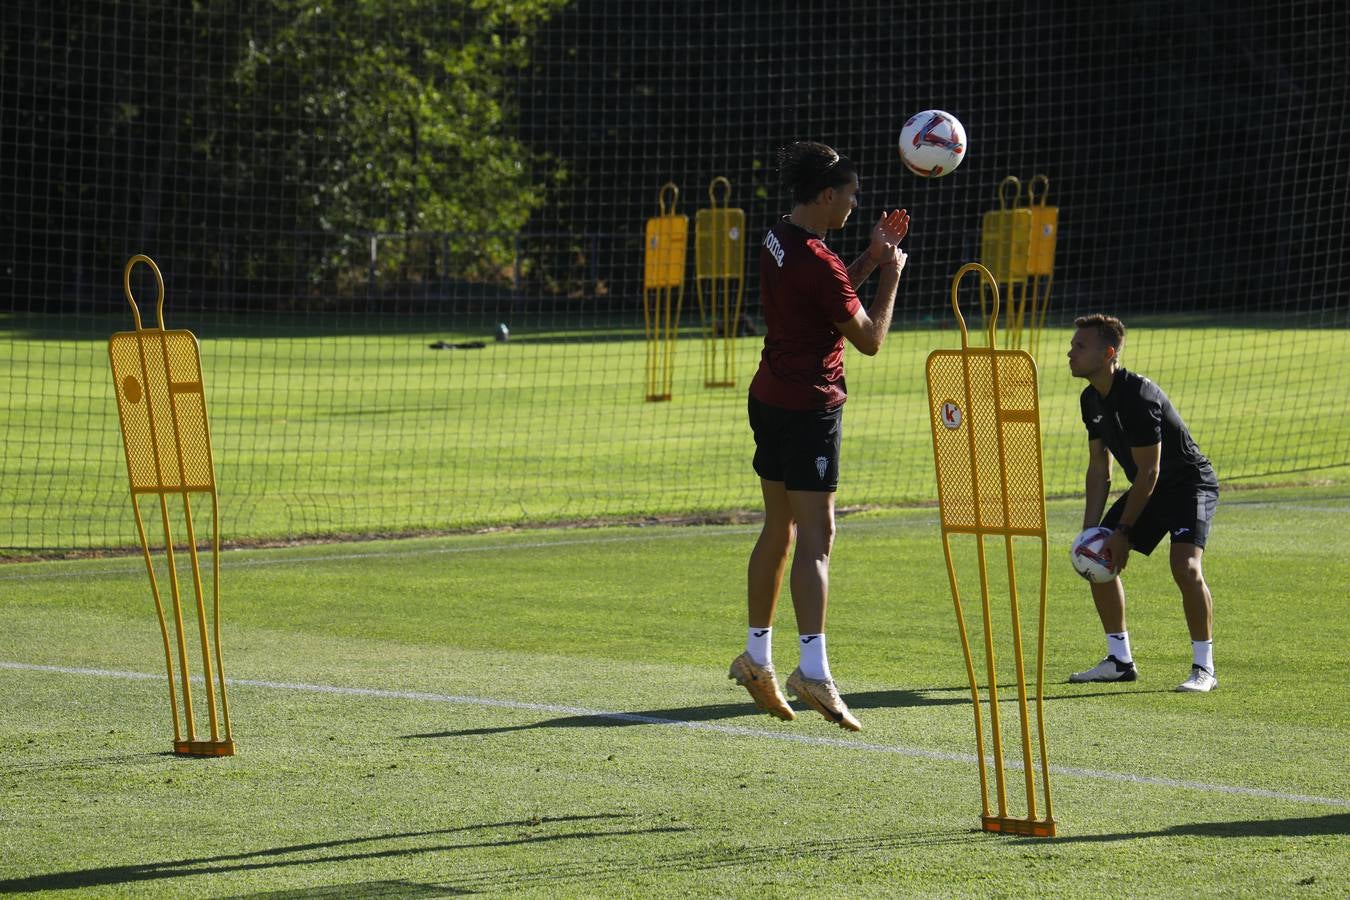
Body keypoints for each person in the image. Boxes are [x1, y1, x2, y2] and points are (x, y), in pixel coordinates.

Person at [728, 141, 910, 730]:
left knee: (777, 528)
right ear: (828, 195)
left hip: (769, 397)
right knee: (818, 536)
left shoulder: (778, 235)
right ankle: (814, 669)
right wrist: (889, 272)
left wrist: (865, 255)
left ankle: (757, 657)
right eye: (853, 195)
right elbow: (869, 338)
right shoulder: (821, 262)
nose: (857, 204)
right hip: (809, 407)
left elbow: (824, 297)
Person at [1066, 314, 1220, 692]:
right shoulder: (1091, 399)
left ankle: (1205, 669)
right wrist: (1092, 531)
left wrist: (1122, 531)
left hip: (1188, 486)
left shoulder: (1137, 396)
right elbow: (1099, 469)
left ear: (1109, 353)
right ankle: (1119, 660)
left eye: (1079, 346)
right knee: (1097, 555)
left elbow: (1149, 471)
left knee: (1185, 567)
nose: (1070, 352)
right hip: (1148, 488)